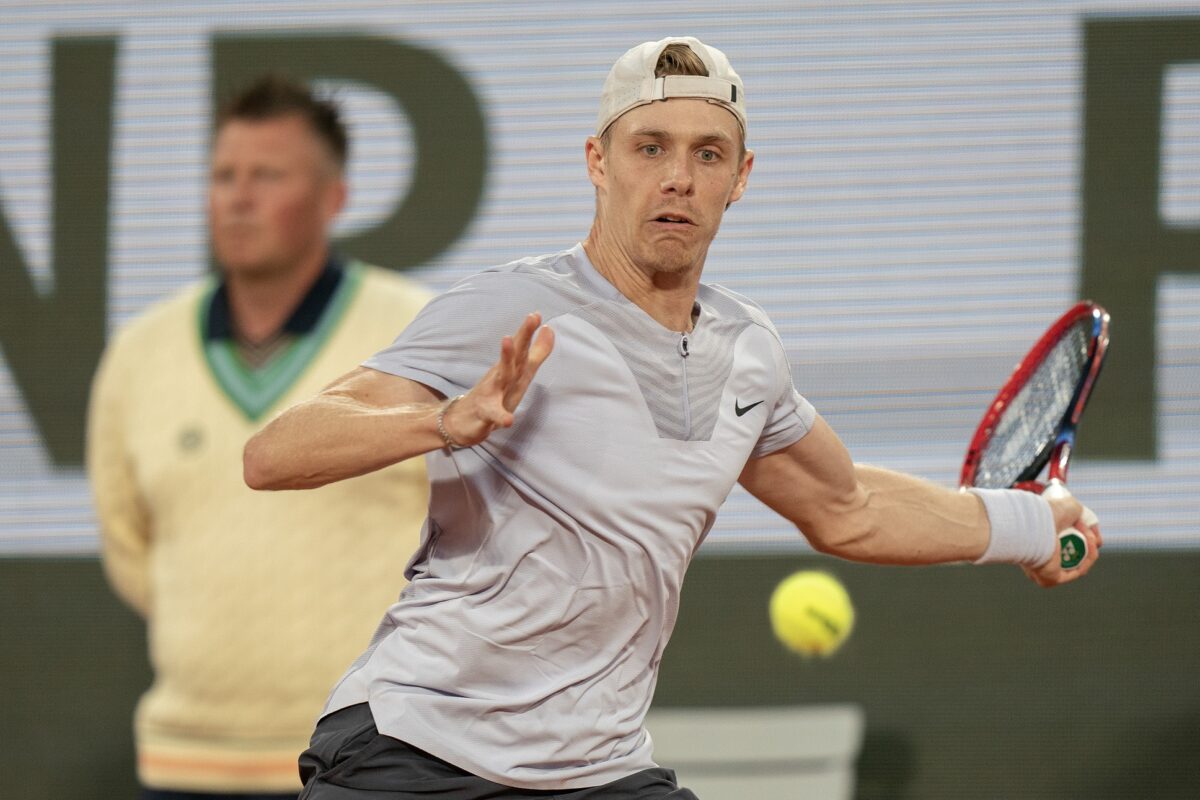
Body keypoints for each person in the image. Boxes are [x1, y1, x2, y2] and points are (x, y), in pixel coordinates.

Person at [242, 37, 1102, 800]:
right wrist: (444, 423)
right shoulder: (511, 310)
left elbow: (849, 507)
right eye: (649, 148)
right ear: (598, 161)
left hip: (596, 769)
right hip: (417, 749)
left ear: (742, 176)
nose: (678, 178)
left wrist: (1033, 524)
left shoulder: (748, 353)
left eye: (708, 153)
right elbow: (274, 454)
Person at [87, 74, 432, 799]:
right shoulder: (139, 351)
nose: (238, 197)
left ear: (333, 198)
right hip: (185, 762)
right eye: (223, 176)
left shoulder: (417, 333)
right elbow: (128, 545)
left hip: (378, 759)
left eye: (267, 176)